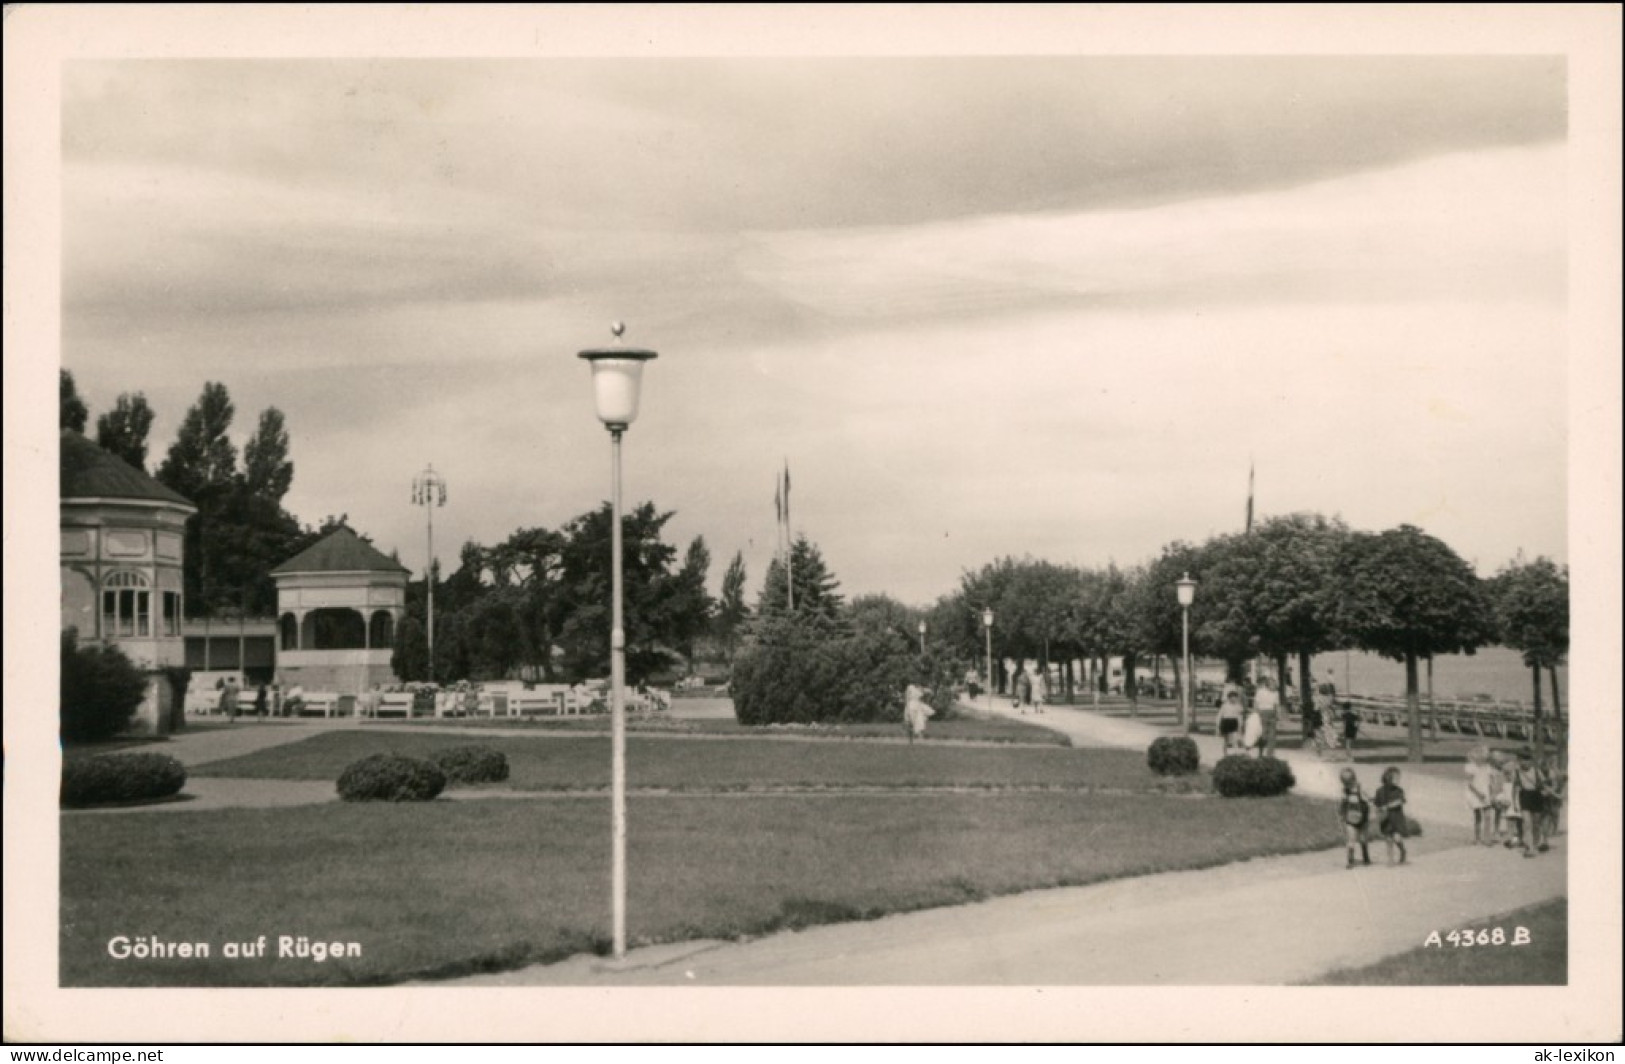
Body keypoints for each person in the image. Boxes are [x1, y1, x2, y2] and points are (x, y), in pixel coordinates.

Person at [1509, 749, 1546, 857]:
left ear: (1531, 760)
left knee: (1536, 824)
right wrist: (1514, 803)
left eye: (1527, 759)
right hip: (1524, 796)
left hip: (1536, 796)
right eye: (1522, 760)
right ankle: (1530, 847)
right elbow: (1514, 788)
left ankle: (1535, 844)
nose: (1524, 762)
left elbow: (1543, 784)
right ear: (1519, 761)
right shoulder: (1517, 772)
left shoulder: (1536, 771)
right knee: (1527, 823)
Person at [1373, 767, 1409, 865]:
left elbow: (1400, 801)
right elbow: (1376, 804)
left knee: (1397, 838)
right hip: (1386, 819)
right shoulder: (1379, 791)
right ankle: (1390, 859)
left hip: (1397, 818)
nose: (1398, 780)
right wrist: (1377, 809)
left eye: (1399, 778)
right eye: (1396, 778)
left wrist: (1387, 806)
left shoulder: (1399, 790)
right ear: (1388, 778)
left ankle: (1402, 850)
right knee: (1388, 839)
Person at [1338, 768, 1373, 869]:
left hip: (1363, 818)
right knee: (1351, 839)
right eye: (1345, 784)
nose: (1346, 786)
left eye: (1348, 783)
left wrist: (1370, 802)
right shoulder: (1345, 791)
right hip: (1350, 819)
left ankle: (1366, 856)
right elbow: (1343, 803)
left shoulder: (1361, 789)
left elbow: (1370, 800)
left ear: (1354, 780)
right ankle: (1350, 860)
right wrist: (1341, 813)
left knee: (1363, 839)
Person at [1465, 745, 1497, 845]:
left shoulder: (1488, 768)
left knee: (1488, 816)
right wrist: (1478, 794)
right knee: (1477, 816)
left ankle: (1487, 838)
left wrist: (1492, 794)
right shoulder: (1472, 768)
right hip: (1476, 793)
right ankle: (1477, 836)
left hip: (1486, 793)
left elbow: (1491, 783)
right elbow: (1470, 784)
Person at [1253, 676, 1281, 757]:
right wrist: (1256, 714)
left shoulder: (1276, 693)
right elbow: (1256, 703)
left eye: (1275, 684)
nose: (1274, 686)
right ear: (1267, 685)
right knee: (1262, 734)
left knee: (1272, 735)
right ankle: (1260, 752)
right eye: (1272, 684)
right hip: (1262, 712)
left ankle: (1270, 754)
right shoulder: (1260, 692)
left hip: (1272, 713)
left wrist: (1277, 715)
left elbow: (1276, 705)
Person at [1216, 690, 1244, 754]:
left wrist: (1240, 725)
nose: (1233, 699)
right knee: (1226, 740)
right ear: (1229, 698)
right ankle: (1225, 753)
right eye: (1232, 697)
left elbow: (1239, 716)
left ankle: (1235, 753)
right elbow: (1220, 715)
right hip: (1226, 722)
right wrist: (1218, 725)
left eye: (1235, 698)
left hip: (1234, 721)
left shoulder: (1238, 706)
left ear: (1237, 698)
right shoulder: (1224, 705)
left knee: (1235, 738)